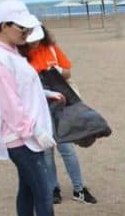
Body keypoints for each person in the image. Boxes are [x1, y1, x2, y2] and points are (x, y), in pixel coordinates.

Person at [0, 0, 83, 216]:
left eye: (29, 29)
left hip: (25, 133)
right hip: (21, 136)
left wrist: (46, 94)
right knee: (42, 189)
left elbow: (24, 87)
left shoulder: (10, 52)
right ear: (4, 26)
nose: (26, 34)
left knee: (27, 186)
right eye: (22, 29)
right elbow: (10, 104)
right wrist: (35, 131)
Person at [22, 24, 97, 205]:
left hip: (60, 102)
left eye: (37, 39)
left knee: (66, 147)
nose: (35, 43)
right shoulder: (21, 55)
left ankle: (79, 188)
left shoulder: (50, 49)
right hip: (39, 105)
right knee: (47, 149)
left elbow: (67, 70)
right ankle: (52, 187)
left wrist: (55, 70)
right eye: (31, 40)